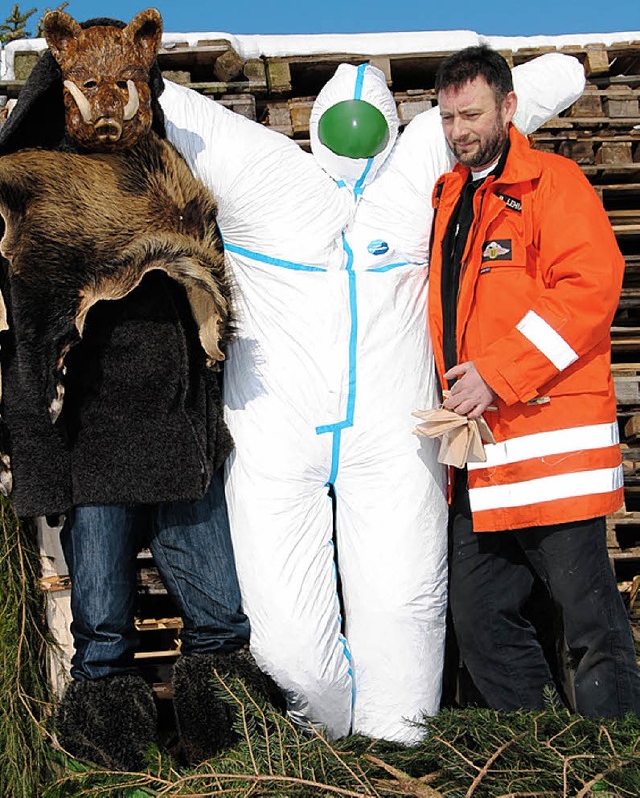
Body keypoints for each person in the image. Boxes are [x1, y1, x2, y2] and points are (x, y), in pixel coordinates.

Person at [160, 49, 585, 740]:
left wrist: (565, 71)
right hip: (278, 432)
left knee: (403, 605)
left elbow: (533, 89)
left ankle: (398, 745)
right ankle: (324, 732)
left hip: (393, 435)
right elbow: (175, 109)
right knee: (292, 637)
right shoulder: (274, 174)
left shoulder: (414, 173)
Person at [0, 9, 279, 771]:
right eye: (91, 85)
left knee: (219, 619)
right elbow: (27, 334)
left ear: (147, 79)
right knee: (102, 634)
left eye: (124, 84)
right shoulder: (36, 187)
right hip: (92, 446)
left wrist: (208, 407)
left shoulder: (174, 179)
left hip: (177, 434)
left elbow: (210, 296)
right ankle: (105, 761)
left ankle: (236, 754)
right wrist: (38, 446)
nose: (110, 101)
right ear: (63, 82)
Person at [427, 44, 640, 716]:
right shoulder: (448, 197)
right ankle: (548, 757)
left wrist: (496, 372)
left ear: (508, 107)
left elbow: (589, 289)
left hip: (550, 449)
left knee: (589, 624)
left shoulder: (554, 183)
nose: (459, 130)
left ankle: (617, 762)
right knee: (482, 620)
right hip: (482, 455)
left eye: (471, 114)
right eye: (447, 117)